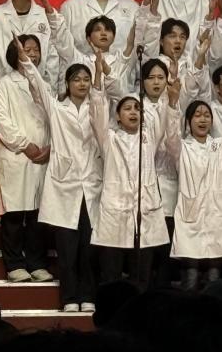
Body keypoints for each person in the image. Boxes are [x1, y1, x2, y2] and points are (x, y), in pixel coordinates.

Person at [14, 36, 102, 312]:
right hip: (64, 186)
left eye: (86, 79)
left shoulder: (98, 108)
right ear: (67, 83)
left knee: (89, 248)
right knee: (67, 250)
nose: (82, 84)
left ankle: (88, 296)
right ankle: (69, 298)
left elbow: (106, 91)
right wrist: (26, 60)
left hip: (91, 185)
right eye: (77, 79)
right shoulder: (57, 108)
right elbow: (39, 85)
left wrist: (101, 69)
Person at [89, 52, 170, 287]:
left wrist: (171, 98)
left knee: (141, 277)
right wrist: (98, 77)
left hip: (144, 212)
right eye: (127, 108)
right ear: (117, 116)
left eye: (137, 108)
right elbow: (97, 111)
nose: (133, 112)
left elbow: (165, 114)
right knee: (111, 276)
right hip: (115, 211)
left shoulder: (149, 137)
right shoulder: (110, 138)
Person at [166, 81, 222, 290]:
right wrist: (172, 104)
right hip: (191, 215)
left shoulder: (220, 145)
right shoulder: (181, 147)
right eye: (198, 115)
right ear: (188, 121)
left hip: (217, 215)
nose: (203, 119)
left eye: (207, 115)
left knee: (214, 278)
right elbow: (170, 135)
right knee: (190, 277)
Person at [0, 35, 52, 283]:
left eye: (36, 50)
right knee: (14, 213)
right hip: (16, 156)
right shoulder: (4, 85)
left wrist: (49, 147)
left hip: (43, 157)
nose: (32, 54)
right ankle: (14, 263)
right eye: (27, 50)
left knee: (38, 214)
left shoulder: (44, 85)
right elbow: (2, 122)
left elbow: (54, 118)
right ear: (15, 54)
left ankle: (37, 263)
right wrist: (26, 145)